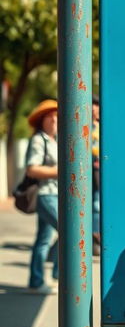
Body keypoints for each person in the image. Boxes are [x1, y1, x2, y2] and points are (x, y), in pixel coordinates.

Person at [25, 99, 59, 294]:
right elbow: (32, 169)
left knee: (44, 239)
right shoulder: (39, 140)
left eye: (56, 115)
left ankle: (36, 281)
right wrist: (59, 171)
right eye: (50, 116)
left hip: (55, 193)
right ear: (42, 120)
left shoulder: (55, 140)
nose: (54, 119)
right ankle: (56, 276)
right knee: (68, 230)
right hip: (45, 194)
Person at [91, 95, 101, 256]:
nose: (93, 109)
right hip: (89, 172)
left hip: (101, 174)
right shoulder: (85, 126)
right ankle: (95, 238)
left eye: (95, 106)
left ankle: (97, 238)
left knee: (98, 206)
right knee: (94, 206)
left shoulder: (103, 125)